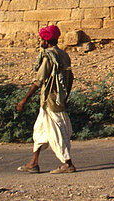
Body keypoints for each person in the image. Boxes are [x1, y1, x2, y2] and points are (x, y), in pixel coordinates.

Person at [16, 25, 76, 173]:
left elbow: (39, 80)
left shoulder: (49, 56)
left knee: (57, 133)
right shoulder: (63, 54)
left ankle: (68, 164)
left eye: (42, 39)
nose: (40, 42)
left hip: (51, 101)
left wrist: (24, 100)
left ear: (47, 41)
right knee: (39, 132)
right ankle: (33, 163)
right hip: (54, 100)